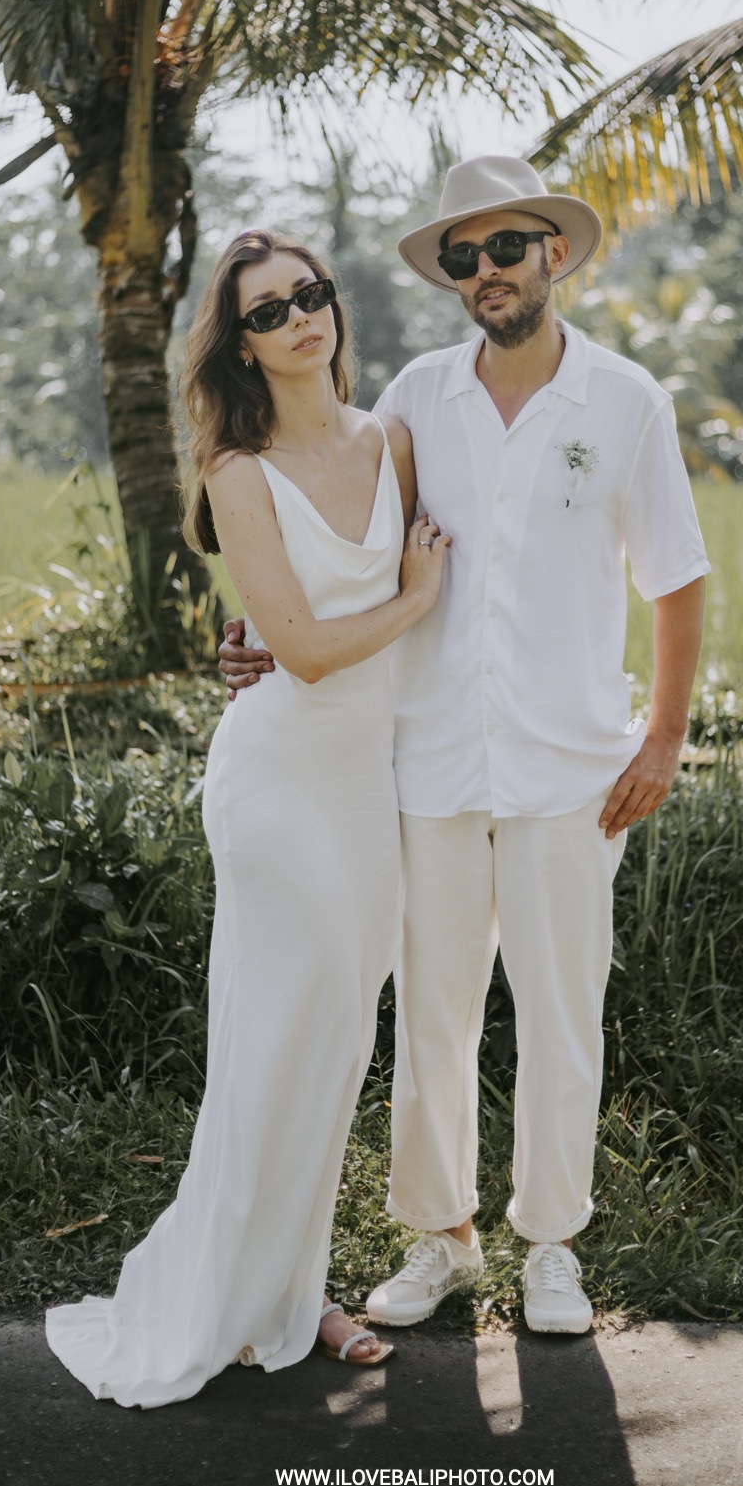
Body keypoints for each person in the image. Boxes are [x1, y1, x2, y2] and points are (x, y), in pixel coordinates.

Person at [220, 156, 709, 1336]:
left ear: (555, 253)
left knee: (561, 1017)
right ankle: (441, 1238)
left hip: (572, 769)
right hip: (427, 760)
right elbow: (340, 537)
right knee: (433, 1017)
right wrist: (253, 635)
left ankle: (552, 1247)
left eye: (506, 248)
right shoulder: (415, 401)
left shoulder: (627, 401)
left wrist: (662, 738)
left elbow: (678, 580)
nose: (486, 270)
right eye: (463, 256)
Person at [46, 229, 449, 1406]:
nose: (298, 320)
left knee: (336, 1041)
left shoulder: (392, 441)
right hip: (278, 784)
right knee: (273, 1044)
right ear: (241, 345)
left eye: (309, 295)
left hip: (365, 788)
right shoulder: (236, 468)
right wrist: (416, 596)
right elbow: (308, 652)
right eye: (267, 312)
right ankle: (234, 1294)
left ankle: (296, 1291)